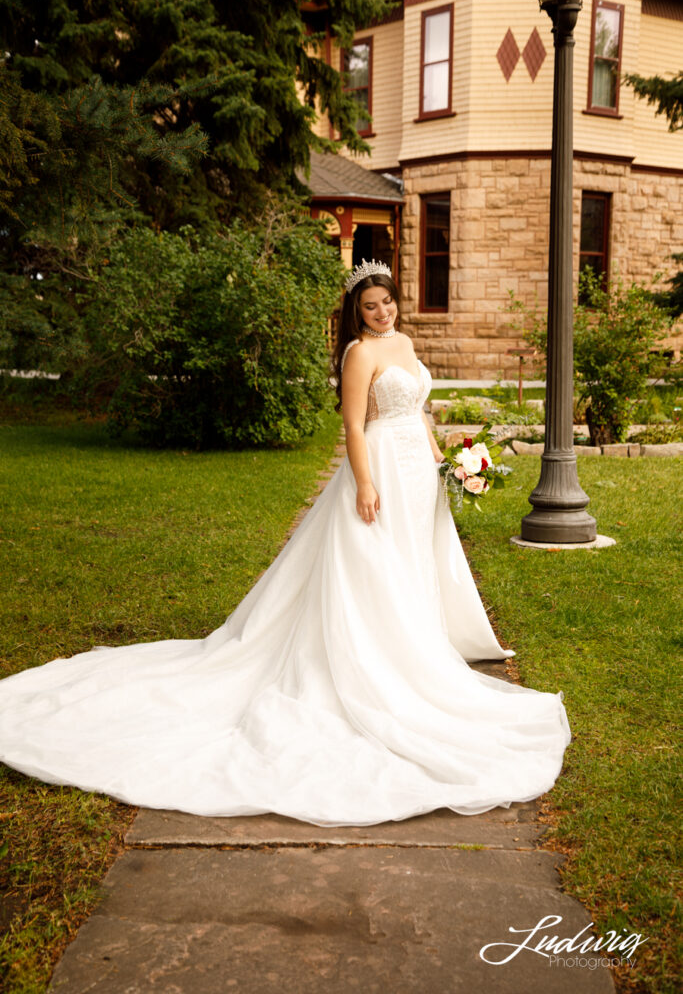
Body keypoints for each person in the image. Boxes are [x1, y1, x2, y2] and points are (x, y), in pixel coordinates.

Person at [0, 259, 570, 827]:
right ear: (356, 312)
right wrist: (365, 483)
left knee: (410, 562)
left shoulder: (405, 341)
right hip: (380, 469)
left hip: (418, 473)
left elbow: (418, 412)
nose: (381, 312)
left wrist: (444, 461)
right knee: (374, 564)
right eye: (370, 306)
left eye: (387, 302)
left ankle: (416, 644)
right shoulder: (359, 354)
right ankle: (379, 660)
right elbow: (352, 425)